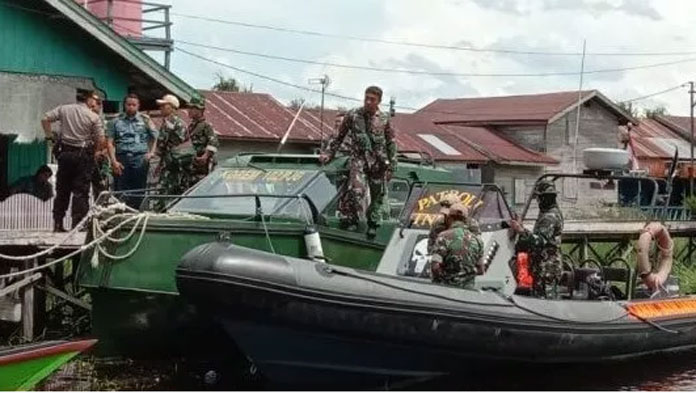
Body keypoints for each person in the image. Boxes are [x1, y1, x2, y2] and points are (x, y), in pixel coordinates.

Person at [319, 86, 397, 237]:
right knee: (356, 191)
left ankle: (373, 223)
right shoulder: (354, 115)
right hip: (359, 159)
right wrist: (328, 153)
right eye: (366, 98)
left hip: (378, 162)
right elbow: (339, 136)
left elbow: (391, 142)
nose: (368, 102)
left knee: (377, 195)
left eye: (372, 99)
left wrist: (392, 165)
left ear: (379, 101)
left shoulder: (384, 119)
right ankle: (352, 220)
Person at [42, 90, 105, 232]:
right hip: (83, 155)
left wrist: (49, 137)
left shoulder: (64, 109)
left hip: (64, 154)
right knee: (80, 191)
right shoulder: (93, 116)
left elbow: (45, 118)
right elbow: (100, 140)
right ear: (88, 100)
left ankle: (58, 223)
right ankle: (77, 225)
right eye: (93, 100)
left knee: (62, 189)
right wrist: (95, 152)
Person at [509, 180, 564, 298]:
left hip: (547, 268)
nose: (538, 201)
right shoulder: (547, 214)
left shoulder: (549, 217)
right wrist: (522, 228)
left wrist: (521, 230)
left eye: (539, 198)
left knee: (546, 302)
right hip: (541, 267)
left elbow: (539, 240)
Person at [107, 93, 158, 209]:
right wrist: (114, 161)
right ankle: (121, 216)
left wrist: (152, 153)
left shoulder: (145, 120)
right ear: (125, 105)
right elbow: (109, 143)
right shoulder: (115, 121)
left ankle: (136, 214)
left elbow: (155, 137)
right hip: (122, 159)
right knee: (121, 190)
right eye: (129, 104)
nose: (131, 107)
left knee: (139, 190)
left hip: (140, 158)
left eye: (134, 105)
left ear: (138, 106)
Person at [430, 203, 484, 289]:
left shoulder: (443, 236)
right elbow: (481, 270)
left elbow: (435, 266)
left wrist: (448, 277)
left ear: (449, 218)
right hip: (467, 292)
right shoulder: (478, 241)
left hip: (445, 290)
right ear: (466, 220)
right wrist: (465, 275)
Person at [155, 94, 192, 204]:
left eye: (163, 105)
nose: (160, 108)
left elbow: (162, 143)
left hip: (171, 164)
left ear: (171, 107)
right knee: (177, 194)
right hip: (181, 164)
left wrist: (156, 155)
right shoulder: (181, 122)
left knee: (162, 193)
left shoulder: (170, 122)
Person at [187, 96, 219, 188]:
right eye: (189, 108)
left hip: (202, 169)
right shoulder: (191, 127)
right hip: (192, 167)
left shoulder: (206, 126)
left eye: (192, 108)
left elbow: (214, 142)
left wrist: (205, 156)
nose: (189, 110)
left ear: (200, 110)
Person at [89, 94, 111, 200]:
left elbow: (110, 141)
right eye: (89, 106)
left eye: (93, 106)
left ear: (99, 106)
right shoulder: (87, 121)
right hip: (89, 158)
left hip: (101, 160)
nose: (91, 109)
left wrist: (102, 152)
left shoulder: (105, 124)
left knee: (102, 188)